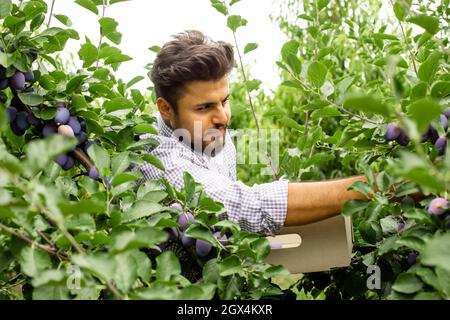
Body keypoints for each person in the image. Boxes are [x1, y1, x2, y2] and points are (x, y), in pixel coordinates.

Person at [135, 30, 371, 236]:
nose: (223, 117)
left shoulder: (216, 139)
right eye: (204, 107)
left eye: (224, 101)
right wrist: (372, 186)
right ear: (165, 108)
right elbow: (247, 206)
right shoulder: (156, 160)